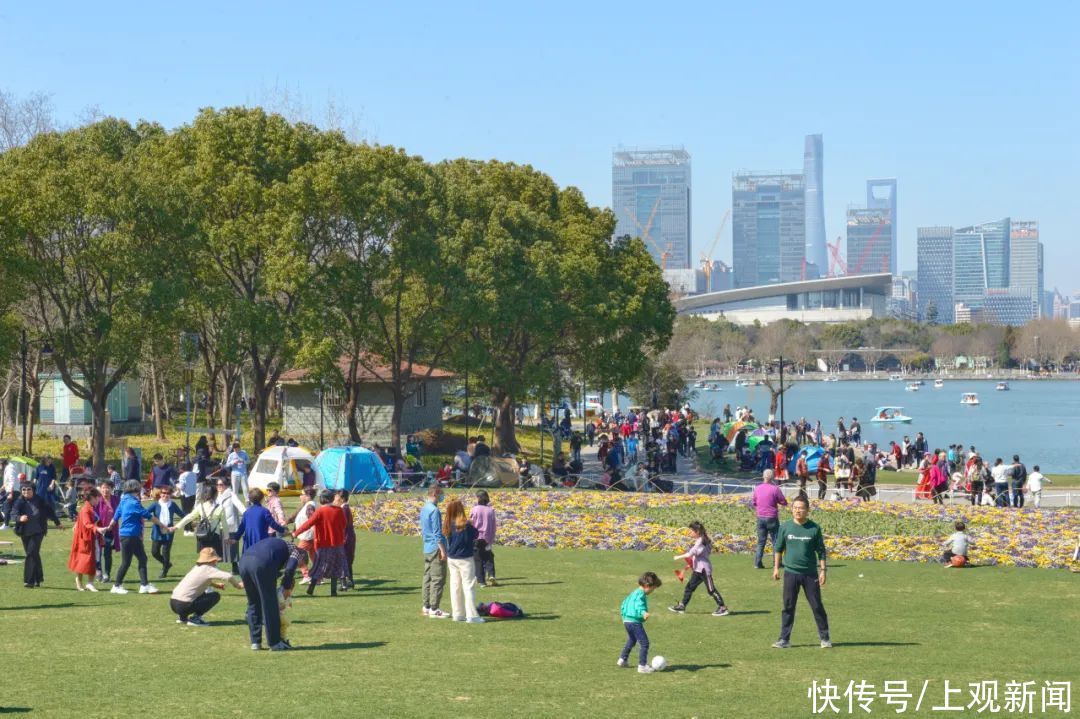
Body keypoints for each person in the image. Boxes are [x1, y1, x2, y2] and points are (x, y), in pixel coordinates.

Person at [772, 496, 831, 649]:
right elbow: (778, 549)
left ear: (807, 510)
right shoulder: (785, 527)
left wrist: (823, 571)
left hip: (810, 574)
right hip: (791, 573)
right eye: (795, 507)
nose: (798, 510)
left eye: (801, 508)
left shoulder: (814, 528)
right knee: (788, 606)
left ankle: (825, 638)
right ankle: (784, 639)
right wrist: (776, 568)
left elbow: (821, 551)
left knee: (816, 605)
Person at [102, 479, 174, 595]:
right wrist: (163, 526)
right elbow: (149, 516)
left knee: (133, 560)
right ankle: (128, 585)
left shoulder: (124, 501)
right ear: (135, 489)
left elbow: (116, 515)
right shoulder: (134, 503)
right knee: (135, 560)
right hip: (132, 535)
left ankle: (137, 585)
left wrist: (110, 526)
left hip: (125, 535)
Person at [238, 536, 300, 650]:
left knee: (253, 602)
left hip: (243, 562)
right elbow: (290, 569)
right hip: (261, 564)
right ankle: (274, 642)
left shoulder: (277, 545)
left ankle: (255, 642)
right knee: (269, 604)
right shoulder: (296, 551)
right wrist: (286, 586)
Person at [290, 489, 348, 597]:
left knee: (319, 567)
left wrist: (295, 533)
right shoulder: (339, 510)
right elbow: (344, 524)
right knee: (335, 567)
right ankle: (333, 591)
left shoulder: (320, 511)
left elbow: (307, 524)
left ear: (322, 499)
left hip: (323, 545)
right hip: (338, 544)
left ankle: (311, 589)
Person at [171, 547, 243, 626]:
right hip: (184, 605)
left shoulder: (197, 567)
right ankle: (196, 618)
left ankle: (182, 618)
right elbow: (228, 576)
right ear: (213, 560)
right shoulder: (209, 569)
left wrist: (215, 585)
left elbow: (198, 581)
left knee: (201, 593)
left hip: (173, 603)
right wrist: (238, 585)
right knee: (215, 596)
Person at [669, 521, 728, 616]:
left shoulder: (701, 541)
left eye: (691, 531)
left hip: (704, 569)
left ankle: (723, 608)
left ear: (697, 531)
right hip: (697, 569)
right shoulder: (702, 539)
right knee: (689, 587)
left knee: (711, 590)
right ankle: (682, 606)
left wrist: (678, 557)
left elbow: (691, 553)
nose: (690, 533)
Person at [11, 481, 63, 587]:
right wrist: (19, 518)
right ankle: (38, 578)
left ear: (33, 490)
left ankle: (29, 581)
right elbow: (13, 513)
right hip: (24, 532)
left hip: (38, 531)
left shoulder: (39, 500)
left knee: (31, 553)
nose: (26, 491)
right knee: (33, 554)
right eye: (24, 489)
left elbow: (50, 511)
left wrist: (57, 523)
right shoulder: (19, 501)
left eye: (29, 489)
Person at [443, 499, 483, 623]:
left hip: (452, 558)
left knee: (455, 586)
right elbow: (476, 535)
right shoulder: (466, 526)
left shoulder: (448, 524)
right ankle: (472, 615)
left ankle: (458, 613)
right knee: (468, 586)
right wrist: (471, 523)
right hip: (465, 558)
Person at [618, 571, 662, 673]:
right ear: (647, 586)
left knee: (632, 640)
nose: (653, 591)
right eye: (653, 588)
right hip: (634, 622)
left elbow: (624, 603)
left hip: (626, 621)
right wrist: (643, 613)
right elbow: (639, 604)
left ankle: (622, 659)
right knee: (645, 643)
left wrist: (623, 615)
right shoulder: (641, 595)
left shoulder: (633, 593)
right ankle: (642, 666)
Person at [419, 486, 448, 618]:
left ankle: (426, 606)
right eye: (441, 494)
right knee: (438, 578)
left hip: (427, 547)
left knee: (427, 577)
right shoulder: (434, 510)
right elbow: (437, 533)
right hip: (435, 547)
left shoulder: (424, 508)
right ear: (435, 494)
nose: (442, 497)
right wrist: (443, 550)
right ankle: (434, 608)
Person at [231, 488, 287, 555]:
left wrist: (235, 538)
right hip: (261, 541)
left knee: (249, 560)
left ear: (250, 499)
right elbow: (273, 524)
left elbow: (241, 528)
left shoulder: (246, 512)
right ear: (262, 499)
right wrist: (283, 530)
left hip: (249, 542)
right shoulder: (264, 511)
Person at [751, 469, 788, 570]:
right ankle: (777, 563)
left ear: (763, 476)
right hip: (772, 517)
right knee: (776, 541)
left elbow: (754, 502)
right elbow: (783, 501)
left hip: (760, 517)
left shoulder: (757, 488)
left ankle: (757, 563)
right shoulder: (775, 489)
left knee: (761, 542)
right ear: (772, 477)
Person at [67, 486, 101, 591]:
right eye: (97, 497)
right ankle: (80, 582)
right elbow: (87, 523)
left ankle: (89, 583)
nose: (99, 499)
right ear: (93, 498)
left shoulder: (89, 507)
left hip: (90, 537)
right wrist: (97, 529)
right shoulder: (86, 509)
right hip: (84, 538)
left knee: (91, 560)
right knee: (82, 560)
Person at [175, 482, 225, 555]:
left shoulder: (200, 506)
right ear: (215, 495)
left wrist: (177, 526)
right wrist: (227, 536)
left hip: (202, 534)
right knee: (214, 558)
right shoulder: (220, 508)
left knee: (203, 558)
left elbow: (189, 517)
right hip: (215, 535)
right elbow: (224, 524)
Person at [150, 486, 184, 578]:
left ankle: (164, 571)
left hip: (169, 532)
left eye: (168, 493)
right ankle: (167, 564)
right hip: (157, 532)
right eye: (163, 493)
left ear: (170, 495)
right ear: (160, 494)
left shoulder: (172, 505)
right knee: (154, 552)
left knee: (166, 552)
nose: (165, 495)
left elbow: (182, 515)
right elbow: (145, 513)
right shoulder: (155, 504)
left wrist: (177, 526)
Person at [214, 476, 246, 573]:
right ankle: (214, 568)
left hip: (230, 525)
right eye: (217, 485)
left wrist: (247, 514)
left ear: (226, 485)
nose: (219, 486)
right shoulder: (217, 496)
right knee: (218, 547)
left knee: (232, 547)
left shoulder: (231, 495)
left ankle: (235, 567)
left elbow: (240, 506)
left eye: (221, 484)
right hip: (219, 525)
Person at [287, 486, 317, 583]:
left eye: (302, 494)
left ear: (308, 496)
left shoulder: (309, 506)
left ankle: (306, 575)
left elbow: (312, 521)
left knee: (297, 554)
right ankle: (319, 575)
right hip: (309, 536)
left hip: (307, 536)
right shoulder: (307, 505)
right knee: (313, 556)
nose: (300, 496)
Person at [469, 490, 497, 588]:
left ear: (478, 498)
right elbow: (493, 526)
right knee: (489, 556)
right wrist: (492, 538)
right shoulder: (491, 510)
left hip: (476, 537)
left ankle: (481, 581)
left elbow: (471, 523)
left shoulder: (475, 509)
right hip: (487, 538)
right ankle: (491, 574)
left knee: (478, 559)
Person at [94, 477, 120, 583]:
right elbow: (91, 514)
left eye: (108, 488)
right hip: (99, 530)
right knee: (97, 552)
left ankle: (107, 574)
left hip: (111, 530)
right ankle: (98, 570)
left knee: (107, 552)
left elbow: (121, 512)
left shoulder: (116, 499)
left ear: (112, 489)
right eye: (104, 488)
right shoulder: (97, 500)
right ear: (100, 489)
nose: (106, 490)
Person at [336, 490, 356, 590]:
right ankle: (349, 580)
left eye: (337, 497)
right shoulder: (345, 508)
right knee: (347, 560)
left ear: (342, 498)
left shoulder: (344, 509)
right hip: (348, 537)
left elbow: (342, 525)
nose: (335, 499)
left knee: (343, 560)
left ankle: (344, 582)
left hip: (345, 538)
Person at [175, 462, 198, 530]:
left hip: (185, 495)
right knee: (191, 512)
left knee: (185, 512)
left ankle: (187, 527)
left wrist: (176, 485)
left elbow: (182, 486)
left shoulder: (183, 475)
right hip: (193, 495)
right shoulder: (194, 474)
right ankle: (190, 526)